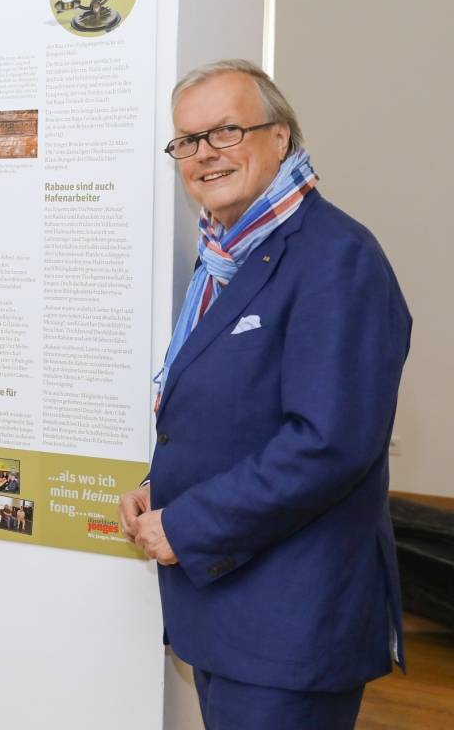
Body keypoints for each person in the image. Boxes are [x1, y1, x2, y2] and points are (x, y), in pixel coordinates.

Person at [118, 60, 410, 730]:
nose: (204, 155)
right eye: (187, 141)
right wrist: (159, 488)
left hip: (292, 622)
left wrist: (186, 525)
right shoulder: (228, 253)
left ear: (280, 136)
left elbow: (329, 443)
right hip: (232, 611)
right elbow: (235, 413)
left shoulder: (337, 256)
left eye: (226, 131)